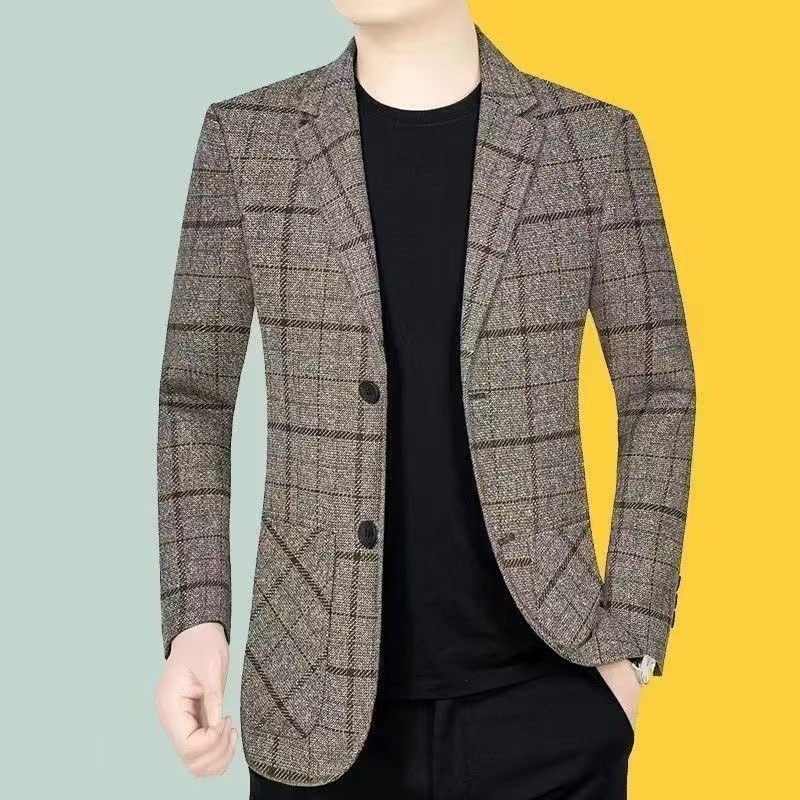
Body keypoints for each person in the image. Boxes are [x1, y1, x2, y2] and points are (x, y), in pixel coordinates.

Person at [154, 1, 696, 797]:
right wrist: (196, 624)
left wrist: (632, 649)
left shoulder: (592, 143)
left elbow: (660, 390)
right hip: (314, 709)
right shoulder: (249, 141)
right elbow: (193, 397)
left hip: (553, 698)